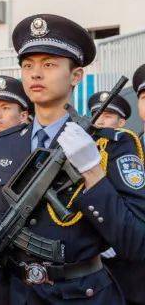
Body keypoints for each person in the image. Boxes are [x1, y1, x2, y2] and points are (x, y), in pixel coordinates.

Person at [0, 14, 145, 304]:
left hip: (83, 294)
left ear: (76, 76)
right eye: (27, 65)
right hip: (16, 294)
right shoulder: (5, 144)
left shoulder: (112, 146)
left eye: (48, 64)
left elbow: (137, 243)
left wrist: (93, 172)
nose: (35, 74)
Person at [87, 90, 145, 305]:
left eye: (108, 115)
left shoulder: (127, 145)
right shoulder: (83, 149)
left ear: (121, 122)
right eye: (97, 114)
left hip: (130, 246)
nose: (101, 119)